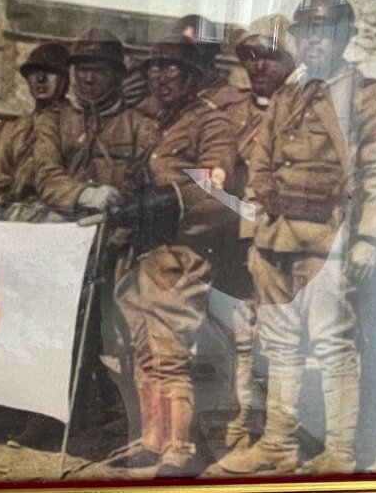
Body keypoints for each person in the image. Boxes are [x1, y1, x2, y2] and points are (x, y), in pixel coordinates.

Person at [216, 12, 350, 476]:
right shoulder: (264, 103)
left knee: (332, 341)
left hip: (323, 240)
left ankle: (342, 450)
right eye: (250, 56)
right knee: (272, 343)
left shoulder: (342, 94)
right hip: (268, 240)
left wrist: (361, 237)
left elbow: (364, 171)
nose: (259, 65)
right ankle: (271, 438)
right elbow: (256, 171)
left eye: (270, 56)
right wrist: (254, 241)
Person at [111, 35, 238, 476]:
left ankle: (180, 446)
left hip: (184, 249)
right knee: (144, 346)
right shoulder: (158, 124)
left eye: (171, 70)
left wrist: (170, 198)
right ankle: (153, 437)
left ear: (193, 77)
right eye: (153, 70)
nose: (160, 78)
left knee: (169, 349)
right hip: (147, 248)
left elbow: (216, 186)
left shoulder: (212, 123)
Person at [33, 28, 158, 444]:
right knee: (56, 328)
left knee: (118, 334)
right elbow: (46, 177)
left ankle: (123, 418)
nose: (88, 78)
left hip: (120, 248)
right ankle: (52, 412)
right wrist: (85, 194)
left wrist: (128, 203)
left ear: (118, 75)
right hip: (64, 244)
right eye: (81, 69)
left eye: (99, 70)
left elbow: (154, 183)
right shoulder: (53, 122)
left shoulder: (141, 127)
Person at [0, 42, 71, 222]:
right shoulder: (13, 129)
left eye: (50, 72)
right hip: (17, 218)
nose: (41, 79)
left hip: (62, 218)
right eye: (34, 73)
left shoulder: (77, 125)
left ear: (66, 79)